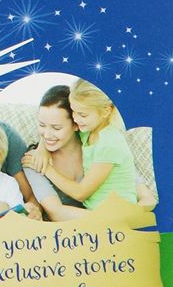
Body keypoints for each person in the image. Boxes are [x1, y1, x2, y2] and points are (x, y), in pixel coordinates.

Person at [24, 79, 139, 210]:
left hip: (111, 214)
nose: (76, 119)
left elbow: (81, 193)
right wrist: (42, 147)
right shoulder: (87, 133)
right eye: (42, 125)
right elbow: (55, 211)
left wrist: (46, 169)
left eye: (57, 128)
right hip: (89, 215)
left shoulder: (103, 142)